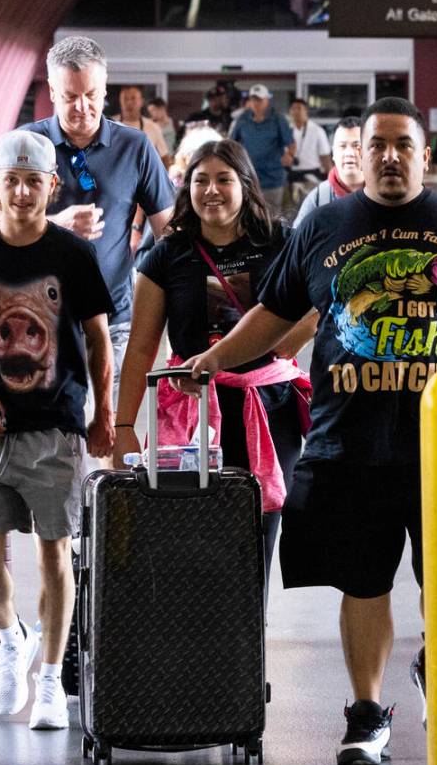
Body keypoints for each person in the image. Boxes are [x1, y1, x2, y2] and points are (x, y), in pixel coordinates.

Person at [184, 97, 437, 765]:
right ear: (360, 153)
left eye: (404, 144)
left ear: (423, 155)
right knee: (363, 581)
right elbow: (273, 311)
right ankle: (367, 711)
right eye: (378, 144)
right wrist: (214, 358)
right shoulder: (325, 225)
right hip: (350, 442)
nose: (390, 156)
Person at [0, 130, 115, 729]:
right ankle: (13, 638)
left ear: (50, 186)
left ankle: (53, 680)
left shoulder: (72, 253)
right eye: (10, 179)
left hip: (55, 426)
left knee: (53, 551)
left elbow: (97, 337)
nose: (20, 190)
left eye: (32, 181)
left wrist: (105, 413)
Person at [112, 139, 314, 594]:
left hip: (265, 406)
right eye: (200, 180)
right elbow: (142, 346)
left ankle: (247, 648)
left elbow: (323, 301)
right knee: (192, 528)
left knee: (260, 526)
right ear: (187, 189)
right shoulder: (166, 254)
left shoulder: (279, 241)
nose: (212, 190)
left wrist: (286, 346)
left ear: (245, 185)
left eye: (224, 179)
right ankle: (200, 644)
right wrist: (124, 423)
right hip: (192, 409)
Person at [0, 35, 175, 403]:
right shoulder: (25, 143)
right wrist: (53, 224)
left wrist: (175, 306)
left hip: (114, 318)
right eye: (70, 97)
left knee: (112, 430)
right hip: (37, 321)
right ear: (51, 91)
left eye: (92, 94)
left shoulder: (135, 146)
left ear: (104, 87)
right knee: (54, 438)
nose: (83, 107)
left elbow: (170, 235)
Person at [229, 84, 296, 217]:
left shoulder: (278, 119)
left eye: (259, 99)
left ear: (267, 100)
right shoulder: (242, 119)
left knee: (272, 216)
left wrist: (289, 155)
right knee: (249, 215)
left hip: (273, 177)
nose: (256, 103)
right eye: (253, 99)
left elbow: (291, 143)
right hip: (248, 176)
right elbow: (231, 143)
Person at [293, 116, 364, 226]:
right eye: (342, 146)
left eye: (357, 146)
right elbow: (296, 239)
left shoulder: (383, 194)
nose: (349, 153)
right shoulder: (318, 198)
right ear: (333, 153)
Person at [287, 98, 332, 210]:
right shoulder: (287, 130)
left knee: (312, 208)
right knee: (292, 210)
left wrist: (331, 178)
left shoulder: (317, 130)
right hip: (292, 175)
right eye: (293, 109)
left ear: (306, 110)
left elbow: (325, 157)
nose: (296, 112)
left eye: (299, 108)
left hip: (311, 177)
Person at [112, 85, 171, 166]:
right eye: (125, 99)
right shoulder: (110, 125)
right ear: (120, 102)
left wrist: (162, 177)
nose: (129, 102)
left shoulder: (152, 127)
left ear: (141, 102)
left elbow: (165, 158)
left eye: (133, 98)